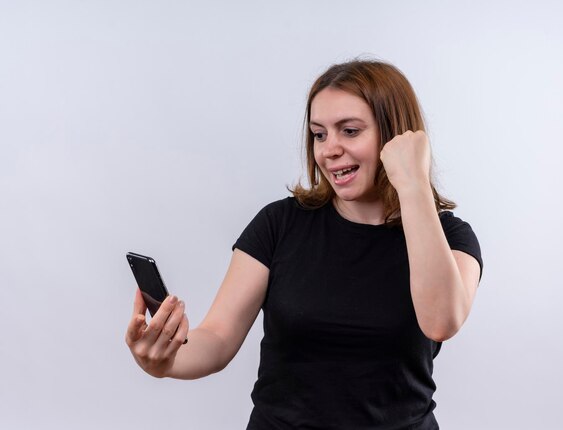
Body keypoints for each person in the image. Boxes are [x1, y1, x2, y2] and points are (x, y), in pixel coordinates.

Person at [125, 59, 483, 429]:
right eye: (319, 134)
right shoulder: (279, 224)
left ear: (396, 138)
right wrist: (165, 361)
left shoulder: (451, 238)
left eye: (349, 130)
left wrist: (412, 185)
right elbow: (216, 338)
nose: (329, 150)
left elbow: (441, 321)